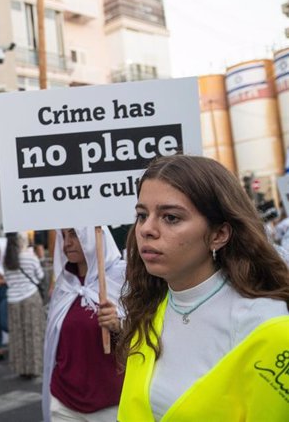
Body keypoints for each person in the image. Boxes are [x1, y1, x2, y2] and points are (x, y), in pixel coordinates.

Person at [117, 155, 289, 421]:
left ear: (219, 234)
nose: (146, 229)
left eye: (171, 218)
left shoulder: (265, 324)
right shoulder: (149, 305)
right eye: (142, 215)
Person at [42, 227, 126, 422]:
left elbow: (145, 336)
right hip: (64, 402)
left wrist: (119, 325)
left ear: (91, 235)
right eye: (63, 236)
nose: (66, 243)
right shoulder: (64, 285)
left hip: (111, 402)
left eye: (74, 235)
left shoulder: (122, 279)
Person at [4, 232, 46, 378]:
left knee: (18, 335)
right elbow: (40, 276)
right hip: (31, 298)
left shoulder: (7, 260)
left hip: (13, 300)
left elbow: (7, 280)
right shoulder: (30, 257)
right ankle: (33, 367)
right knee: (33, 334)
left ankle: (21, 368)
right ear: (22, 242)